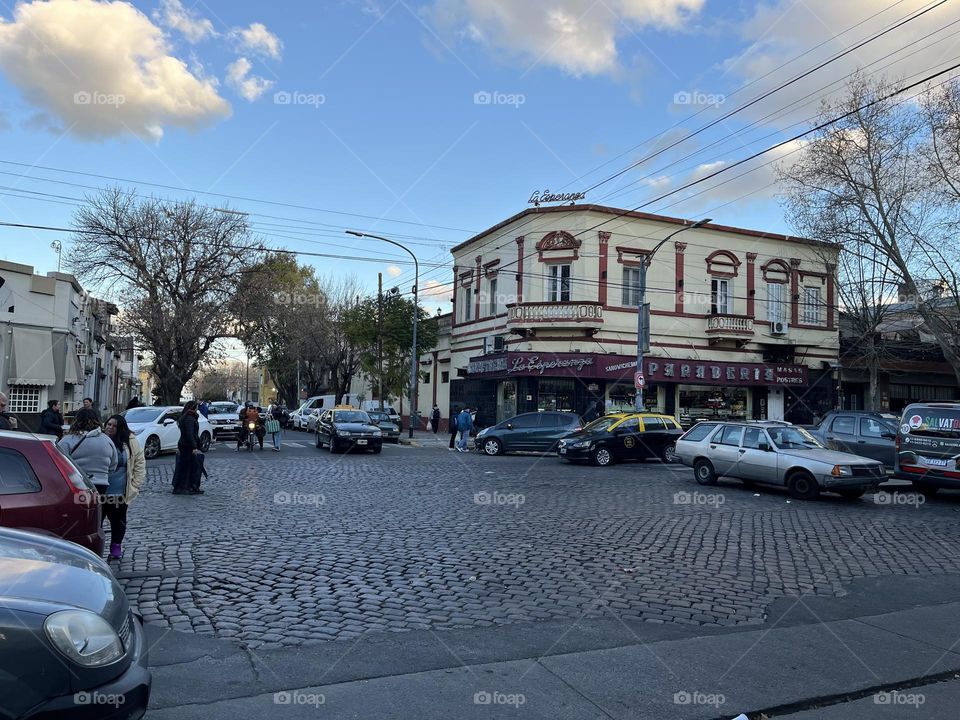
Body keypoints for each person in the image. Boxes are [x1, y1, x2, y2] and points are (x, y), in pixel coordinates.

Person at [103, 414, 146, 560]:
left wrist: (135, 485)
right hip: (100, 490)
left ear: (120, 428)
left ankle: (116, 547)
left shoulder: (130, 441)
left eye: (114, 426)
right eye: (109, 424)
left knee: (118, 520)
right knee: (97, 521)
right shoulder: (100, 440)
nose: (110, 428)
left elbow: (139, 463)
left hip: (120, 490)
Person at [58, 408, 117, 496]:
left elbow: (57, 461)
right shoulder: (107, 440)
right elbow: (113, 465)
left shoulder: (68, 440)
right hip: (102, 484)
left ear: (76, 421)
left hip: (78, 484)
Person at [172, 401, 202, 494]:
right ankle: (185, 487)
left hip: (184, 444)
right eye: (197, 407)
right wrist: (194, 446)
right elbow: (189, 434)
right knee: (188, 467)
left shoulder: (186, 417)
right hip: (187, 445)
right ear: (194, 408)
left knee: (186, 466)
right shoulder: (189, 418)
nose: (197, 409)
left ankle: (186, 487)